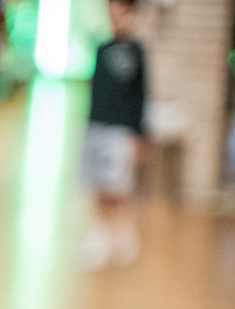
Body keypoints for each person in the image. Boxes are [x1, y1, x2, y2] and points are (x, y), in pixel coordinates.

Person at [81, 0, 148, 269]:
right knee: (98, 185)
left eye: (121, 14)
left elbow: (141, 97)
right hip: (98, 127)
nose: (115, 20)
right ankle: (99, 239)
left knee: (119, 188)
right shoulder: (102, 49)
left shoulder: (138, 52)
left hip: (122, 132)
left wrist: (138, 135)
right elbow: (96, 94)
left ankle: (125, 236)